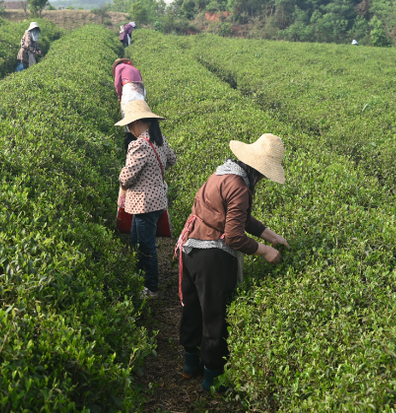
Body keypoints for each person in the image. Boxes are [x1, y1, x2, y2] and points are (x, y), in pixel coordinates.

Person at [175, 134, 290, 393]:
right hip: (212, 257)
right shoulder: (239, 186)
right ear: (258, 170)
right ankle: (212, 377)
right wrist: (265, 252)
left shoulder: (223, 175)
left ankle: (189, 364)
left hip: (191, 248)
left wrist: (270, 235)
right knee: (214, 315)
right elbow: (235, 235)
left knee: (192, 308)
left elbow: (239, 217)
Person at [116, 100, 176, 301]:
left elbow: (127, 177)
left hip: (143, 205)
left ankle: (151, 288)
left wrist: (123, 175)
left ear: (138, 122)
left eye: (130, 124)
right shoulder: (159, 140)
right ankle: (139, 280)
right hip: (157, 201)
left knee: (145, 247)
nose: (130, 129)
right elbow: (172, 160)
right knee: (137, 242)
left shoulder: (139, 144)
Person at [113, 58, 146, 151]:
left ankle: (130, 141)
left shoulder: (119, 67)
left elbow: (117, 83)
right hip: (141, 90)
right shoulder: (134, 68)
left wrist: (119, 96)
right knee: (139, 114)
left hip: (130, 89)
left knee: (127, 113)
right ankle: (140, 138)